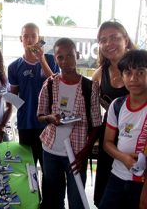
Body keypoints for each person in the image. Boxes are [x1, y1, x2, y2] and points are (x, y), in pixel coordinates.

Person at [37, 37, 101, 209]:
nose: (65, 61)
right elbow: (40, 115)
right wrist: (49, 118)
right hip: (50, 151)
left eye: (70, 56)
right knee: (52, 199)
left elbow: (96, 124)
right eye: (60, 57)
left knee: (77, 200)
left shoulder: (90, 87)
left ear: (77, 55)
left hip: (77, 154)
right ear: (55, 59)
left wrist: (84, 152)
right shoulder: (50, 84)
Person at [92, 20, 136, 206]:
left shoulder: (141, 70)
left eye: (114, 38)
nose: (108, 43)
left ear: (125, 39)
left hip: (137, 140)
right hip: (109, 139)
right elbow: (90, 110)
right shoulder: (99, 74)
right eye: (103, 40)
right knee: (106, 197)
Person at [99, 49, 147, 209]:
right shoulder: (117, 105)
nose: (134, 78)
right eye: (128, 72)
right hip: (117, 177)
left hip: (142, 183)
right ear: (122, 76)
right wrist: (124, 158)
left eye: (141, 72)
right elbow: (107, 143)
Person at [8, 23, 58, 169]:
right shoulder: (13, 67)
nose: (29, 40)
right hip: (26, 124)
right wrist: (3, 96)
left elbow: (56, 86)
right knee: (28, 169)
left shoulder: (51, 60)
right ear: (20, 39)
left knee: (48, 170)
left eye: (33, 36)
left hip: (48, 123)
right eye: (26, 36)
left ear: (39, 38)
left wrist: (41, 59)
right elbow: (14, 97)